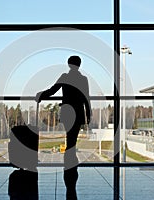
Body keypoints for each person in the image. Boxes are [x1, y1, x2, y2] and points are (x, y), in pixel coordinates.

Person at [36, 55, 91, 200]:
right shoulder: (83, 79)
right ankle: (71, 160)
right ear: (79, 65)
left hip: (67, 112)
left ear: (69, 64)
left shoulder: (64, 77)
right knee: (72, 139)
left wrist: (41, 95)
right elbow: (86, 98)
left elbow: (52, 90)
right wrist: (88, 114)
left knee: (70, 138)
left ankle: (70, 160)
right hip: (78, 112)